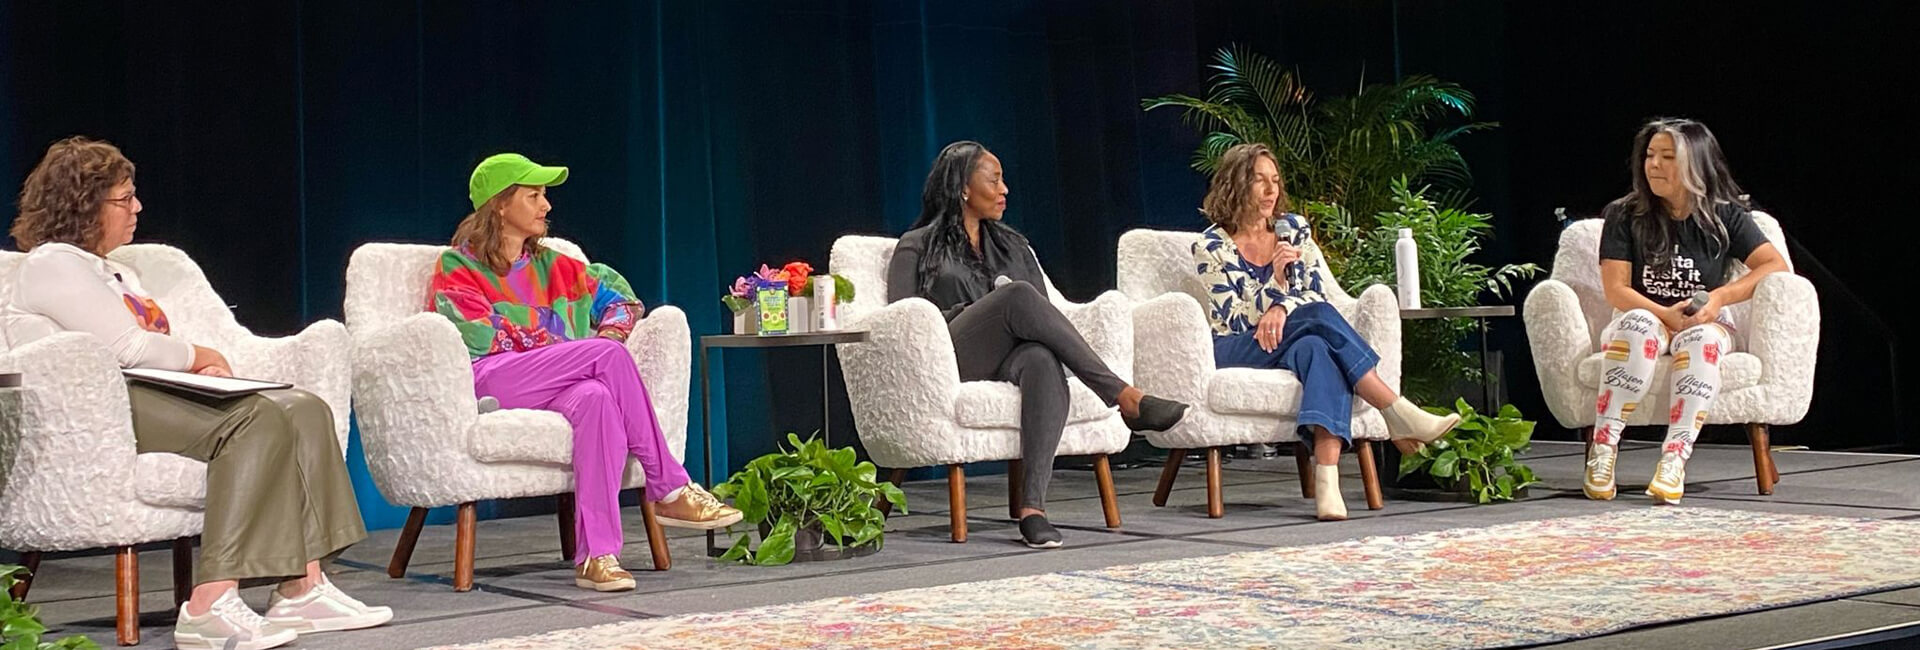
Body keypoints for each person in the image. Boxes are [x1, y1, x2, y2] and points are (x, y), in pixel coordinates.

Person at [2, 137, 390, 650]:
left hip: (148, 393)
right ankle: (210, 603)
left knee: (302, 408)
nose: (136, 207)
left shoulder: (118, 271)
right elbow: (127, 347)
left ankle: (303, 586)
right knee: (254, 418)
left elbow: (147, 346)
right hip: (100, 414)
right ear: (83, 204)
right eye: (123, 199)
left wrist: (192, 368)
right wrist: (200, 356)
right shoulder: (53, 263)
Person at [427, 153, 740, 593]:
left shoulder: (559, 267)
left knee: (597, 399)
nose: (546, 205)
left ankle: (597, 556)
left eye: (545, 196)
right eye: (533, 195)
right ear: (499, 204)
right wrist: (578, 350)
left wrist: (601, 339)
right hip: (495, 379)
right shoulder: (457, 267)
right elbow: (480, 336)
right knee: (604, 359)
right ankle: (669, 485)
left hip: (563, 380)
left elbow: (624, 303)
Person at [885, 141, 1189, 549]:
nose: (1005, 188)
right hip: (947, 356)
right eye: (994, 179)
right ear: (962, 187)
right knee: (1017, 297)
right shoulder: (917, 245)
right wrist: (975, 311)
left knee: (1042, 359)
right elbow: (902, 322)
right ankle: (1123, 396)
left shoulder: (1012, 245)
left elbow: (1042, 315)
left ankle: (1033, 510)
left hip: (1009, 355)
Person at [1191, 143, 1461, 521]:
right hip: (1237, 346)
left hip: (1293, 336)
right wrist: (1276, 285)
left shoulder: (1294, 231)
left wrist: (1282, 305)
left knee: (1318, 347)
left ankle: (1327, 483)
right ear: (1236, 184)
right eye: (1259, 181)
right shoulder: (1210, 246)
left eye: (1275, 180)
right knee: (1316, 320)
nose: (1271, 190)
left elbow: (1315, 294)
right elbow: (1234, 318)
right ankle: (1394, 408)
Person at [1585, 119, 1788, 504]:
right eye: (1649, 156)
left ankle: (1674, 459)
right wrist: (1664, 314)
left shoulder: (1725, 215)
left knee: (1704, 341)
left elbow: (1773, 264)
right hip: (1641, 315)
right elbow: (1617, 290)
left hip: (1702, 319)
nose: (1654, 165)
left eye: (1667, 157)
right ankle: (1604, 450)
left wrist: (1719, 298)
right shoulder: (1624, 214)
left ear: (1695, 164)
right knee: (1639, 328)